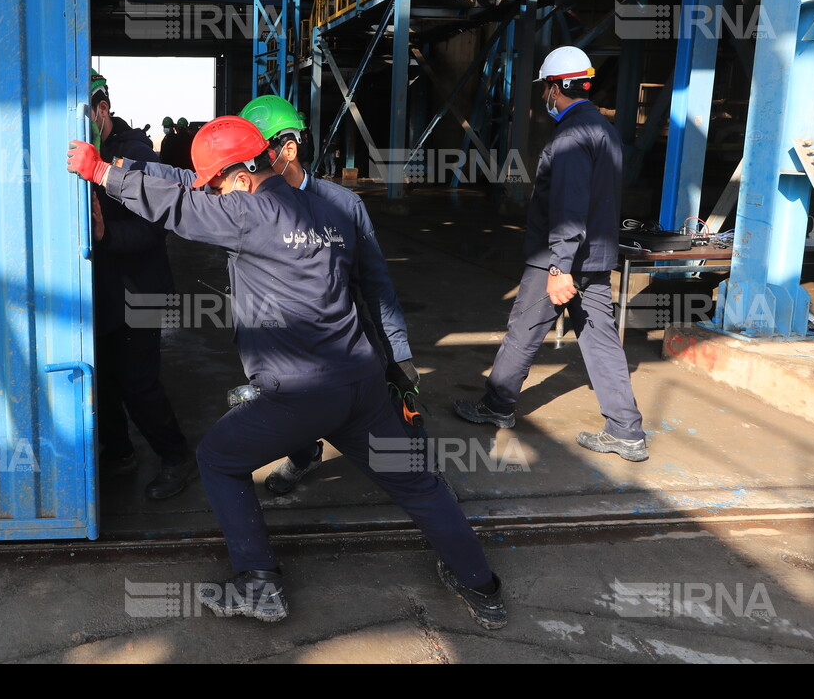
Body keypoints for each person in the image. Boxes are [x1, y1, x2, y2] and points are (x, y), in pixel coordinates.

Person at [67, 117, 505, 628]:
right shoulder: (331, 208)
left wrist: (102, 172)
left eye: (217, 183)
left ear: (239, 175)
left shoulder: (248, 214)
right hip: (360, 383)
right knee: (420, 485)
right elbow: (190, 186)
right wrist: (131, 165)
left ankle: (258, 583)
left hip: (299, 393)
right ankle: (483, 587)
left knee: (217, 458)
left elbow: (181, 207)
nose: (214, 192)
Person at [116, 95, 420, 495]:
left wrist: (399, 357)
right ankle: (303, 454)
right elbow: (183, 180)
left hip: (339, 347)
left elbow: (377, 286)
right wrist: (123, 168)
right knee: (288, 408)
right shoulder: (243, 195)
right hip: (276, 345)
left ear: (287, 150)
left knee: (397, 448)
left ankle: (426, 485)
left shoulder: (342, 205)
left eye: (259, 145)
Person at [452, 46, 647, 462]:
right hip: (596, 258)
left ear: (557, 88)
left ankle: (497, 405)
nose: (546, 96)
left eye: (546, 88)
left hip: (559, 260)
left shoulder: (572, 135)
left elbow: (570, 205)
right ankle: (627, 431)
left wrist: (559, 264)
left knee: (523, 333)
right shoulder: (605, 131)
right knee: (601, 342)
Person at [87, 69, 196, 498]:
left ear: (102, 109)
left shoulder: (135, 157)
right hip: (98, 291)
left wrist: (105, 236)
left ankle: (175, 458)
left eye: (85, 115)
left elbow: (156, 228)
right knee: (105, 380)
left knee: (138, 383)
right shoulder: (77, 153)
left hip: (141, 290)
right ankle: (118, 452)